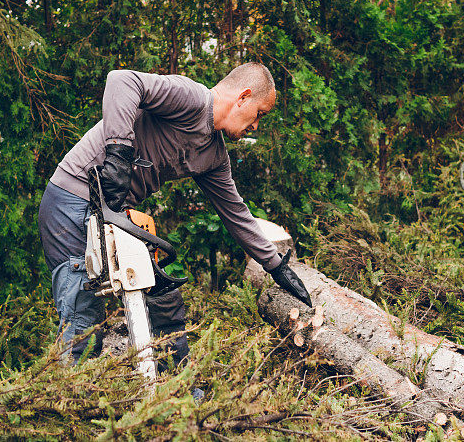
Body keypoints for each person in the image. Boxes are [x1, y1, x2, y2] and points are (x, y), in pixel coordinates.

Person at [37, 62, 311, 364]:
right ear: (243, 97)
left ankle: (178, 394)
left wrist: (275, 266)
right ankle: (63, 400)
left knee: (163, 295)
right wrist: (118, 151)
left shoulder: (213, 155)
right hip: (71, 200)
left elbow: (235, 213)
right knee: (82, 313)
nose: (256, 126)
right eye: (260, 114)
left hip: (109, 211)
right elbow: (121, 81)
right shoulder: (191, 98)